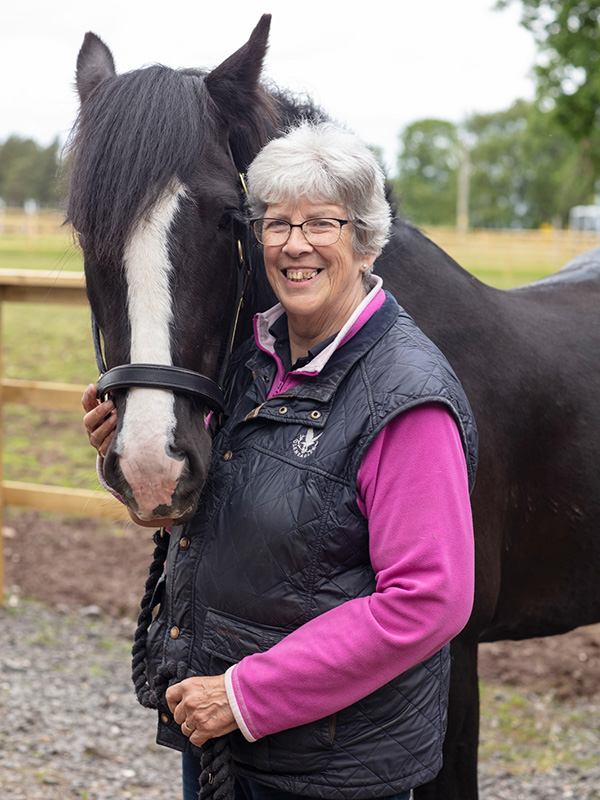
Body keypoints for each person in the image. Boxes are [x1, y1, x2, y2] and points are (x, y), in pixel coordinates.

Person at [83, 121, 477, 800]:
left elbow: (429, 600)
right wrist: (143, 469)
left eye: (322, 222)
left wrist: (245, 695)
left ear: (365, 238)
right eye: (276, 222)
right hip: (222, 741)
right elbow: (235, 523)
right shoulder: (253, 366)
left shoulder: (405, 396)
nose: (296, 244)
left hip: (323, 766)